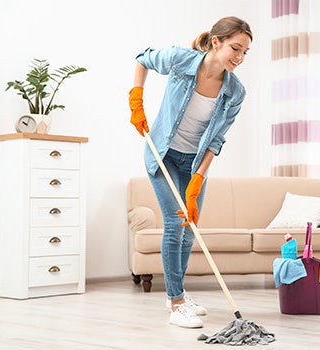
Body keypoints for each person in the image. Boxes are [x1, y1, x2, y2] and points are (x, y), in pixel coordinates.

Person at [128, 16, 252, 329]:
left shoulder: (235, 92)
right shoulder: (181, 60)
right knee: (174, 222)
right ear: (216, 42)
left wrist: (199, 178)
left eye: (245, 52)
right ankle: (176, 304)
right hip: (163, 154)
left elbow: (216, 139)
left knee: (188, 229)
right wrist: (136, 101)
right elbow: (143, 59)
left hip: (194, 163)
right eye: (235, 48)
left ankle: (177, 294)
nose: (239, 57)